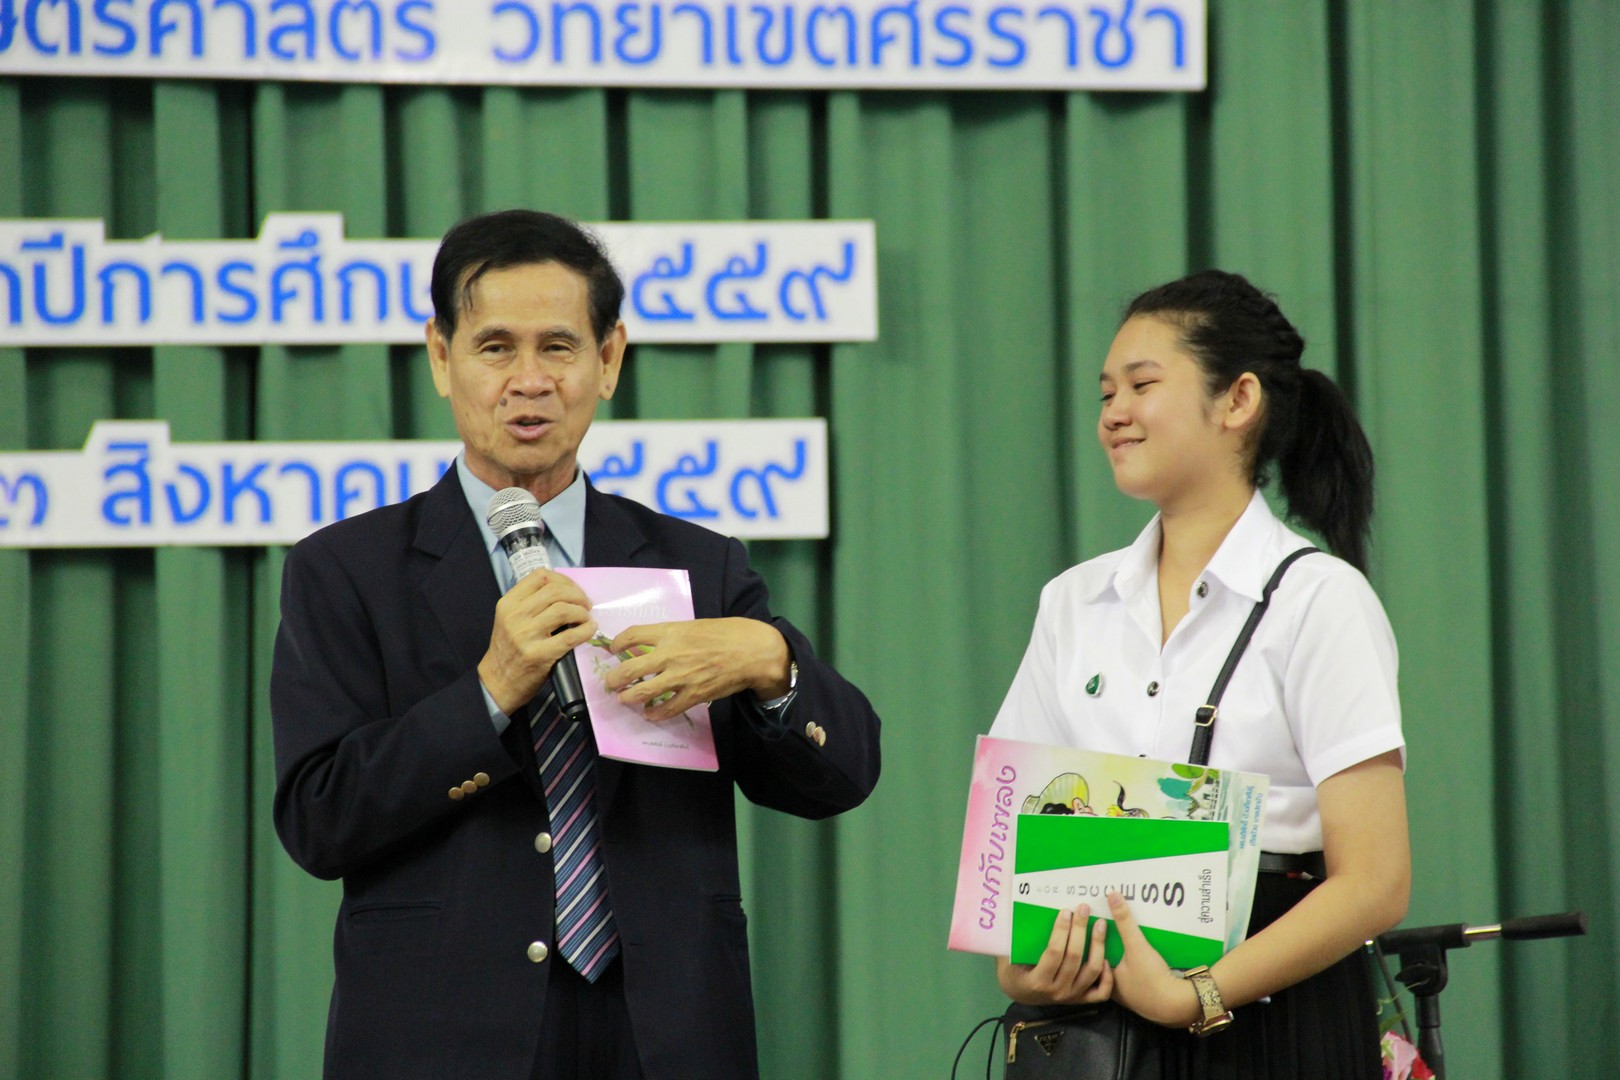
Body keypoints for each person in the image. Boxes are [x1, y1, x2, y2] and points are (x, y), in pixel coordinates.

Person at [270, 209, 881, 1080]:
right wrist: (487, 693)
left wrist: (767, 662)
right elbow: (319, 820)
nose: (529, 381)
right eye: (495, 348)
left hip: (666, 1036)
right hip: (440, 1035)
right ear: (441, 357)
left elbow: (842, 775)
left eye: (558, 347)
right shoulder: (345, 569)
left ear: (610, 359)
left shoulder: (697, 564)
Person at [989, 270, 1409, 1077]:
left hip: (1277, 1015)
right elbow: (1013, 853)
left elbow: (1376, 882)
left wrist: (1197, 995)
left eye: (1142, 385)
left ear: (1238, 399)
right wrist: (1027, 968)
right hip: (1100, 1028)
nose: (1113, 413)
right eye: (1105, 392)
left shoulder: (1319, 600)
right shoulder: (1072, 602)